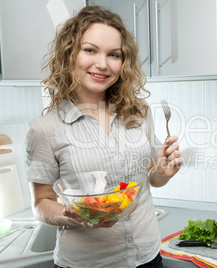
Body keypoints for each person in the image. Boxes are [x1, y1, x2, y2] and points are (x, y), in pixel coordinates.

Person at [25, 6, 183, 268]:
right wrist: (70, 214)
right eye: (90, 50)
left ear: (123, 62)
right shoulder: (44, 128)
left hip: (147, 256)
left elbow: (151, 179)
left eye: (113, 54)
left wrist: (163, 171)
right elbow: (42, 203)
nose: (102, 64)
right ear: (69, 54)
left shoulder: (139, 113)